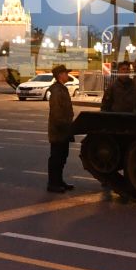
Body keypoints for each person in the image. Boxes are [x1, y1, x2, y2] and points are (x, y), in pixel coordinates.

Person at [46, 63, 76, 192]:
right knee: (56, 158)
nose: (67, 75)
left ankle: (59, 181)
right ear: (60, 75)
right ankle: (53, 183)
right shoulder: (57, 91)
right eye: (65, 73)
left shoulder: (61, 88)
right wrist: (64, 126)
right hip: (59, 130)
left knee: (62, 157)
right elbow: (57, 112)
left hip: (64, 129)